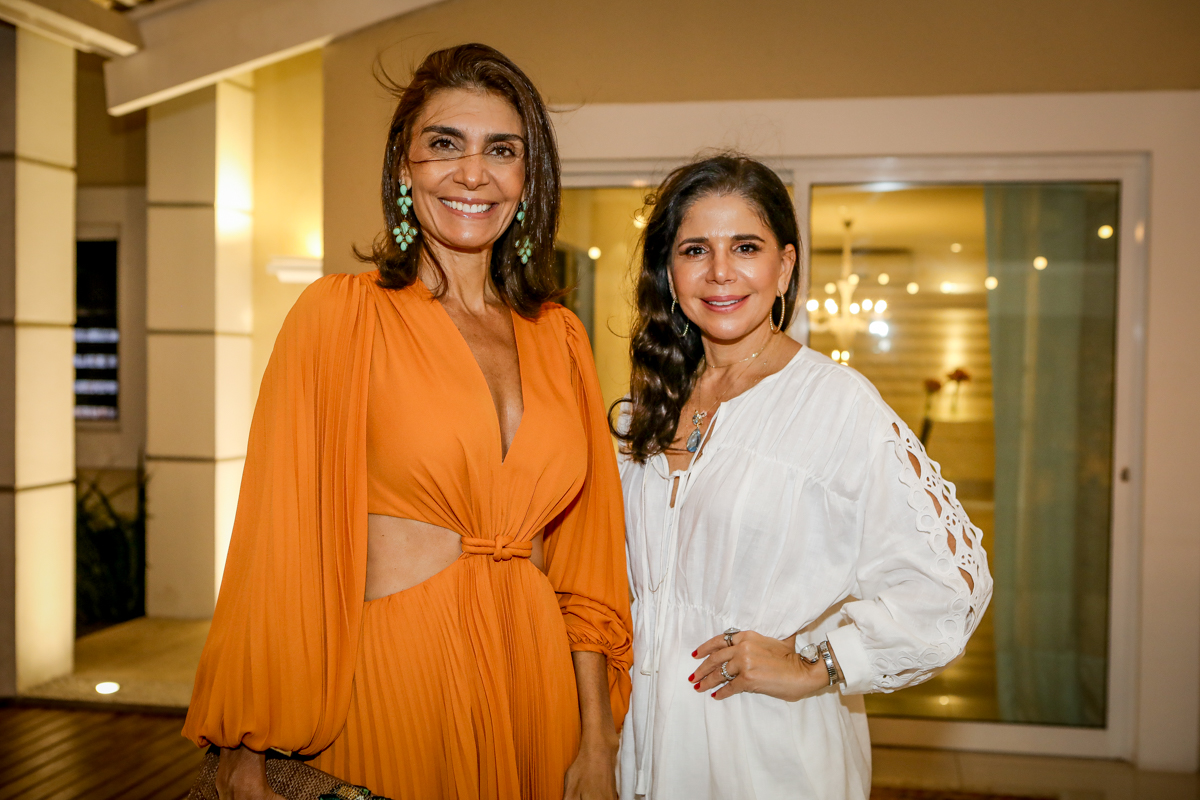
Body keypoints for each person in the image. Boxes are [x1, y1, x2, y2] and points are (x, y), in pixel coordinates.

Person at [183, 44, 632, 800]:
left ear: (528, 179)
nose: (472, 173)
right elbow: (277, 536)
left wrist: (597, 739)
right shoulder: (340, 316)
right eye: (445, 144)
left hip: (534, 687)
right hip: (391, 673)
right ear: (403, 165)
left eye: (502, 150)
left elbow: (586, 562)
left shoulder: (561, 337)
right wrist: (246, 744)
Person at [612, 155, 992, 799]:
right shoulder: (647, 405)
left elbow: (951, 587)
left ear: (785, 266)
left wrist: (817, 665)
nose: (721, 271)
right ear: (668, 272)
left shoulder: (835, 403)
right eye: (695, 250)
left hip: (766, 750)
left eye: (746, 247)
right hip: (647, 741)